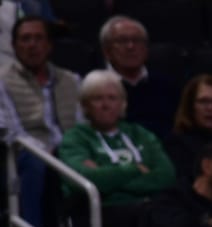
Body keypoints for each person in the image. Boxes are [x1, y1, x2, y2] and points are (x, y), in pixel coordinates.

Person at [58, 69, 177, 207]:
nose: (106, 105)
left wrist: (106, 178)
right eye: (97, 98)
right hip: (106, 212)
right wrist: (136, 170)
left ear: (122, 104)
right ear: (85, 106)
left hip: (153, 209)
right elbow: (83, 180)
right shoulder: (75, 138)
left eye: (112, 98)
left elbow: (166, 176)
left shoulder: (140, 134)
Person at [3, 16, 79, 227]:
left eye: (38, 38)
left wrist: (71, 149)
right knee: (34, 161)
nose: (32, 45)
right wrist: (47, 151)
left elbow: (82, 124)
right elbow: (10, 131)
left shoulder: (71, 80)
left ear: (49, 45)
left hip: (69, 150)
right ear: (14, 45)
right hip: (23, 155)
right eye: (25, 39)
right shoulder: (2, 81)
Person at [97, 15, 176, 139]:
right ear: (106, 51)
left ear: (146, 48)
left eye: (137, 40)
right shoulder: (94, 87)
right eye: (122, 41)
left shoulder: (167, 86)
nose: (131, 46)